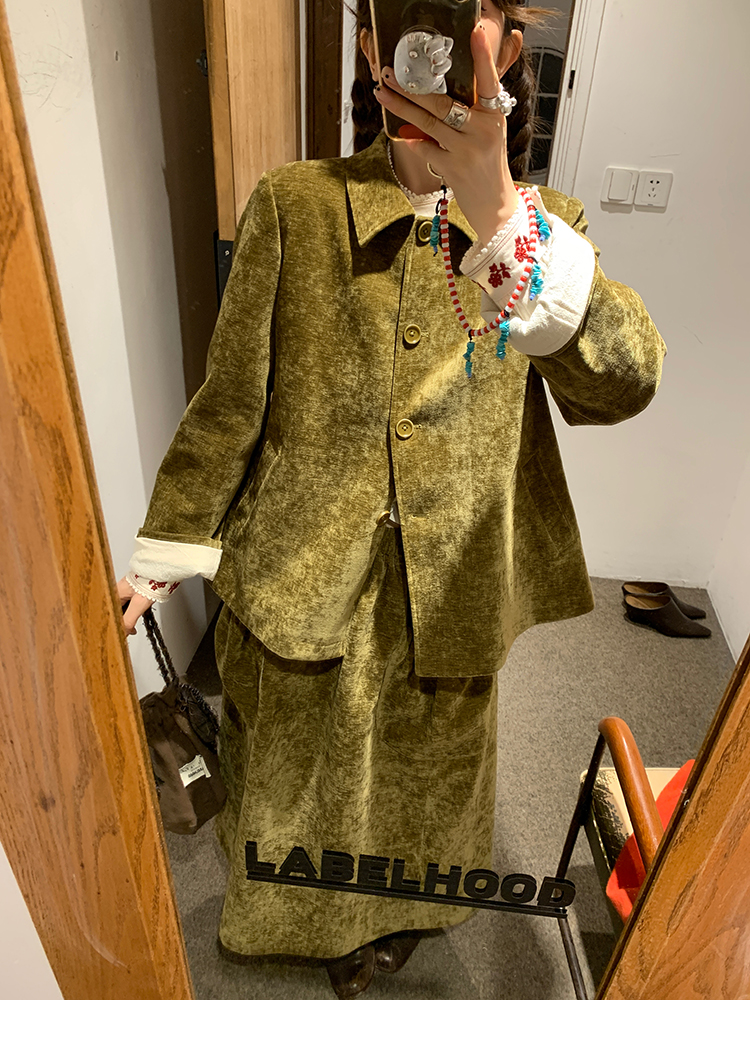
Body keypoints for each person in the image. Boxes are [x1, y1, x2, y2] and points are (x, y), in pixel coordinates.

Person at [118, 0, 665, 999]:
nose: (435, 56)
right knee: (301, 770)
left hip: (453, 584)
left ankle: (406, 914)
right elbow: (232, 398)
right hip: (302, 571)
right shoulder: (295, 203)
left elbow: (622, 384)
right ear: (371, 42)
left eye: (467, 28)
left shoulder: (545, 232)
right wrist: (167, 548)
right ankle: (300, 925)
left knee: (428, 773)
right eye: (410, 23)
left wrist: (503, 222)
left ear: (507, 56)